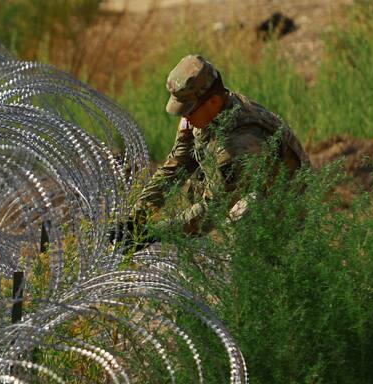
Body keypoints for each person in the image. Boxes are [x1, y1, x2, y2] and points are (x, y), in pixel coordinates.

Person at [117, 54, 309, 247]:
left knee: (243, 217)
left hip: (284, 208)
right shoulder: (203, 114)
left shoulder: (237, 144)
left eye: (188, 110)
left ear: (214, 102)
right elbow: (175, 166)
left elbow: (213, 210)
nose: (184, 117)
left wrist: (153, 234)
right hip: (248, 191)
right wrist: (136, 218)